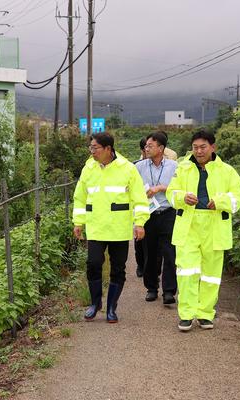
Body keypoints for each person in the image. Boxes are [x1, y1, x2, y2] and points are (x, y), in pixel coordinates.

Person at [166, 129, 240, 331]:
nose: (199, 151)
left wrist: (219, 202)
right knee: (186, 272)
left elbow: (239, 198)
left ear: (213, 147)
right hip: (189, 226)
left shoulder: (227, 171)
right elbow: (171, 193)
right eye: (195, 147)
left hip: (214, 226)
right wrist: (183, 197)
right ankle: (186, 314)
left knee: (211, 274)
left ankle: (205, 314)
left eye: (203, 147)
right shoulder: (182, 168)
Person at [73, 132, 150, 323]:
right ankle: (95, 303)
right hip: (96, 226)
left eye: (95, 148)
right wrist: (78, 222)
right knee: (93, 264)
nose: (92, 152)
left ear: (108, 149)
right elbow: (80, 197)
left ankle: (111, 308)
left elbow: (139, 198)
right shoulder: (89, 167)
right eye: (90, 148)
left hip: (118, 228)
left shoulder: (127, 169)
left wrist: (139, 222)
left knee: (118, 268)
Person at [136, 131, 178, 305]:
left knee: (170, 253)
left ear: (161, 148)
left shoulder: (174, 166)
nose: (146, 148)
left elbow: (180, 187)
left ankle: (169, 291)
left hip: (168, 213)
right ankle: (151, 288)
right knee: (150, 253)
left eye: (150, 146)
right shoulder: (139, 167)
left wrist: (161, 187)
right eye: (146, 146)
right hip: (149, 214)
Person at [133, 137, 148, 278]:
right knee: (139, 240)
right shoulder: (135, 166)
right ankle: (140, 264)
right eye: (146, 148)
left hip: (157, 208)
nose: (148, 150)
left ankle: (150, 268)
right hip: (139, 207)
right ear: (142, 150)